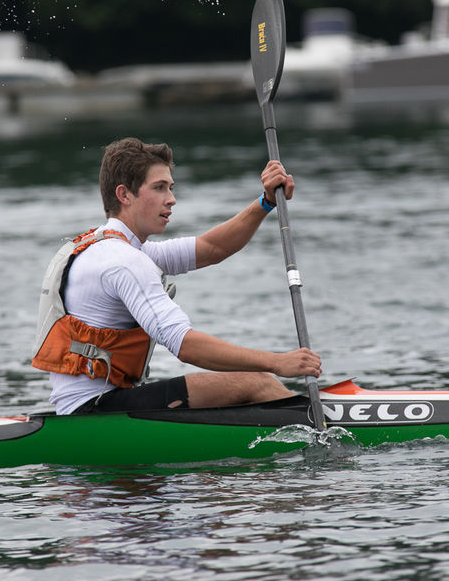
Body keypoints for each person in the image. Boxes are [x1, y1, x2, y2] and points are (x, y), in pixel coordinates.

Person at [32, 137, 322, 414]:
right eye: (159, 188)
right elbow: (183, 345)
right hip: (96, 410)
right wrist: (277, 362)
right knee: (256, 382)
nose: (171, 199)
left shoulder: (107, 246)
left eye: (170, 188)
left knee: (251, 385)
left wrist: (266, 202)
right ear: (124, 195)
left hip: (93, 404)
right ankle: (326, 425)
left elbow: (212, 248)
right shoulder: (123, 262)